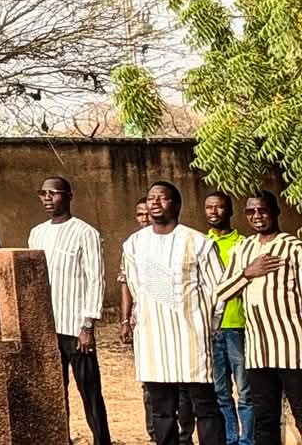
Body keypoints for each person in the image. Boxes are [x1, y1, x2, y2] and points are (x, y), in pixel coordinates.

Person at [121, 180, 225, 445]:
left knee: (205, 408)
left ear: (177, 205)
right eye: (151, 198)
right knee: (161, 410)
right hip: (153, 343)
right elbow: (135, 287)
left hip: (191, 341)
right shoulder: (133, 244)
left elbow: (219, 290)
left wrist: (207, 327)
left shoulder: (197, 242)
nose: (155, 203)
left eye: (162, 198)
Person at [211, 192, 302, 445]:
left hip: (293, 349)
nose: (257, 216)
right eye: (250, 212)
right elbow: (221, 292)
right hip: (258, 351)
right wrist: (248, 273)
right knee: (264, 419)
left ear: (275, 212)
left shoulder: (293, 248)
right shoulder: (244, 248)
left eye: (262, 210)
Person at [28, 178, 108, 444]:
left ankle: (101, 440)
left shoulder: (86, 233)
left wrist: (87, 326)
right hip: (47, 326)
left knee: (89, 389)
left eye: (54, 193)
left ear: (69, 196)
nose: (47, 198)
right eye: (43, 193)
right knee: (53, 390)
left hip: (75, 327)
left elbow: (95, 279)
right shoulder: (36, 233)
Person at [204, 192, 254, 445]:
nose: (214, 212)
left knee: (245, 390)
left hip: (238, 325)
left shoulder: (244, 244)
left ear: (229, 211)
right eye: (209, 207)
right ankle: (231, 438)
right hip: (210, 329)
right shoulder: (200, 244)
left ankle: (247, 440)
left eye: (219, 207)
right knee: (220, 391)